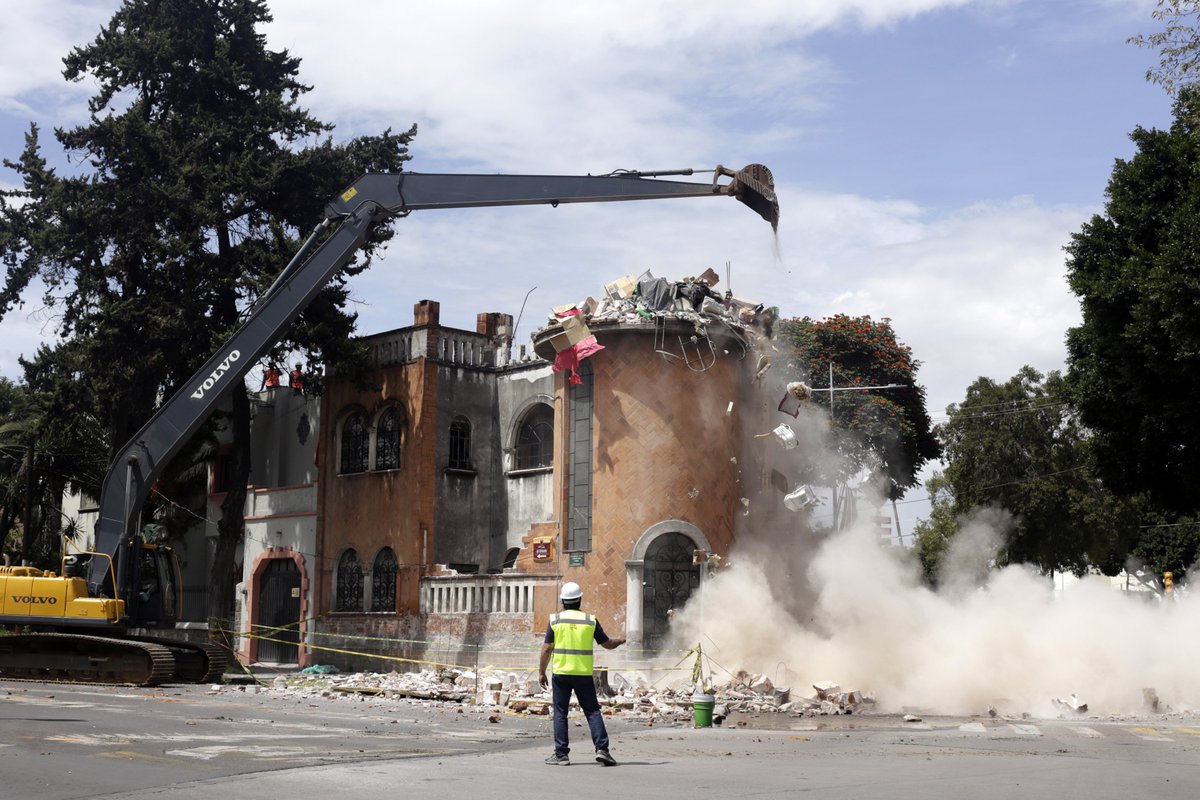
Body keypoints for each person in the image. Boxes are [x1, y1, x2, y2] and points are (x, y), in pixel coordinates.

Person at [539, 581, 625, 766]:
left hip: (561, 674)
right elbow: (607, 644)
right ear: (580, 600)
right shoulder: (589, 620)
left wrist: (541, 672)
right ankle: (602, 749)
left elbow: (547, 648)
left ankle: (561, 754)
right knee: (592, 711)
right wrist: (620, 640)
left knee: (561, 713)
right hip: (583, 674)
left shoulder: (555, 620)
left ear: (562, 600)